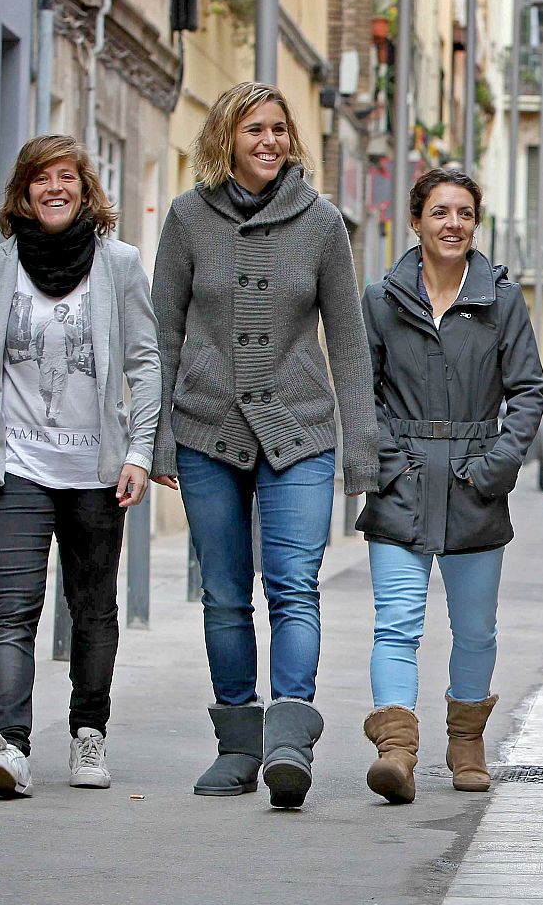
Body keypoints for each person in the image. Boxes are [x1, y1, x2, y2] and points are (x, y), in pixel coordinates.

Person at [150, 82, 377, 809]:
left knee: (293, 587)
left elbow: (347, 341)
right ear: (226, 138)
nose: (270, 141)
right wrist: (154, 441)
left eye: (280, 129)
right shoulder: (187, 219)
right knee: (223, 594)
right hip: (206, 429)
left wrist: (360, 448)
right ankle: (237, 745)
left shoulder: (321, 223)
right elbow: (162, 333)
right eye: (255, 129)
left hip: (298, 432)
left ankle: (288, 739)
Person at [0, 133, 160, 797]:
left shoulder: (119, 265)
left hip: (97, 472)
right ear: (25, 193)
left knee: (94, 609)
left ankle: (88, 735)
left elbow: (146, 363)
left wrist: (141, 452)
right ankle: (8, 745)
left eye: (67, 176)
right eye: (42, 179)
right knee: (12, 611)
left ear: (85, 189)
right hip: (17, 470)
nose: (55, 188)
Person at [357, 168, 543, 803]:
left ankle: (466, 743)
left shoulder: (502, 300)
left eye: (464, 213)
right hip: (401, 483)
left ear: (475, 223)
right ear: (415, 221)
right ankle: (397, 752)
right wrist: (388, 462)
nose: (452, 223)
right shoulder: (381, 300)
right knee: (397, 624)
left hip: (474, 486)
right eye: (439, 212)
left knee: (475, 628)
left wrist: (494, 467)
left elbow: (527, 391)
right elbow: (362, 392)